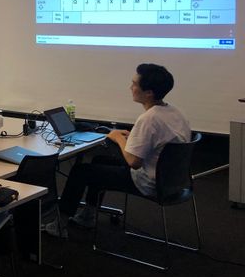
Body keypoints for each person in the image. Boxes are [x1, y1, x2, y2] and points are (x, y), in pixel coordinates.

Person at [57, 63, 191, 229]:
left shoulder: (149, 119)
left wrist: (117, 138)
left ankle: (60, 224)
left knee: (81, 172)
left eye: (134, 84)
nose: (130, 88)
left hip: (148, 183)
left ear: (148, 93)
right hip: (172, 180)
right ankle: (88, 214)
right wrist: (131, 138)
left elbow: (134, 162)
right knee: (100, 161)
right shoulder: (175, 112)